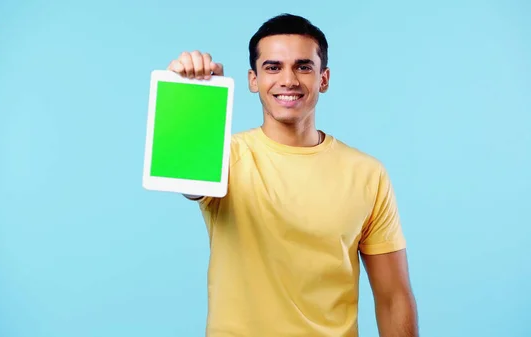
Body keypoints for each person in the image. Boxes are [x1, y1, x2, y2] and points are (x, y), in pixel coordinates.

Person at [167, 13, 418, 337]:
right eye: (273, 67)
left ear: (323, 78)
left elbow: (394, 297)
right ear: (252, 79)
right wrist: (189, 92)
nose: (289, 79)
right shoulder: (224, 157)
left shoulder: (367, 173)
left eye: (303, 66)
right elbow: (182, 176)